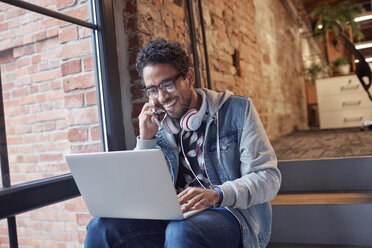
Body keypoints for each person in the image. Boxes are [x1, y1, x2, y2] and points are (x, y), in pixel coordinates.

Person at [84, 38, 281, 248]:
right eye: (152, 90)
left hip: (230, 213)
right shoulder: (159, 126)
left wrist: (217, 194)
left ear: (189, 76)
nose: (161, 97)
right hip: (175, 217)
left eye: (166, 85)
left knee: (181, 232)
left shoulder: (237, 110)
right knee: (100, 227)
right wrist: (145, 142)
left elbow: (267, 177)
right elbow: (141, 193)